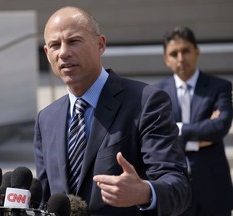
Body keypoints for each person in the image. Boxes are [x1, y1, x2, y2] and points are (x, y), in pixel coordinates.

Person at [33, 6, 191, 216]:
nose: (63, 52)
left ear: (100, 45)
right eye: (55, 45)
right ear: (47, 53)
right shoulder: (46, 119)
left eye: (74, 41)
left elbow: (179, 187)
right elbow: (45, 201)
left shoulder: (146, 101)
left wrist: (145, 192)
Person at [155, 26, 233, 216]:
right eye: (174, 53)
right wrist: (200, 137)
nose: (181, 58)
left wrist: (178, 129)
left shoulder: (220, 87)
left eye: (186, 51)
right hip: (174, 186)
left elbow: (220, 127)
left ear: (196, 52)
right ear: (166, 59)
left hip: (213, 187)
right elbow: (159, 136)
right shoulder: (156, 94)